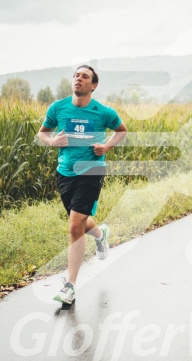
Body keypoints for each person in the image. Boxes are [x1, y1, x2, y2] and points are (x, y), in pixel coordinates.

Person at [37, 65, 128, 304]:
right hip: (65, 172)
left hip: (91, 171)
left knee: (74, 226)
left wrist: (107, 146)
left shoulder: (103, 112)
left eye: (84, 76)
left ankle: (70, 286)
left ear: (93, 85)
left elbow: (121, 130)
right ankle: (100, 233)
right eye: (76, 75)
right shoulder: (58, 108)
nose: (78, 79)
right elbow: (42, 133)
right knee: (80, 222)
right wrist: (52, 141)